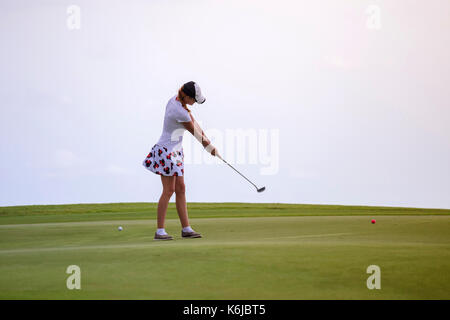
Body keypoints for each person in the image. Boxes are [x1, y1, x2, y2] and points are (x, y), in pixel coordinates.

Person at [142, 81, 219, 240]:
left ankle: (186, 228)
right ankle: (160, 231)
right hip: (167, 152)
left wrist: (209, 143)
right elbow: (194, 133)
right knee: (168, 190)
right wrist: (209, 147)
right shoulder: (179, 111)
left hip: (175, 152)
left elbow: (195, 124)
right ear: (187, 96)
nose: (195, 103)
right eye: (194, 100)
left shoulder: (177, 101)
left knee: (181, 188)